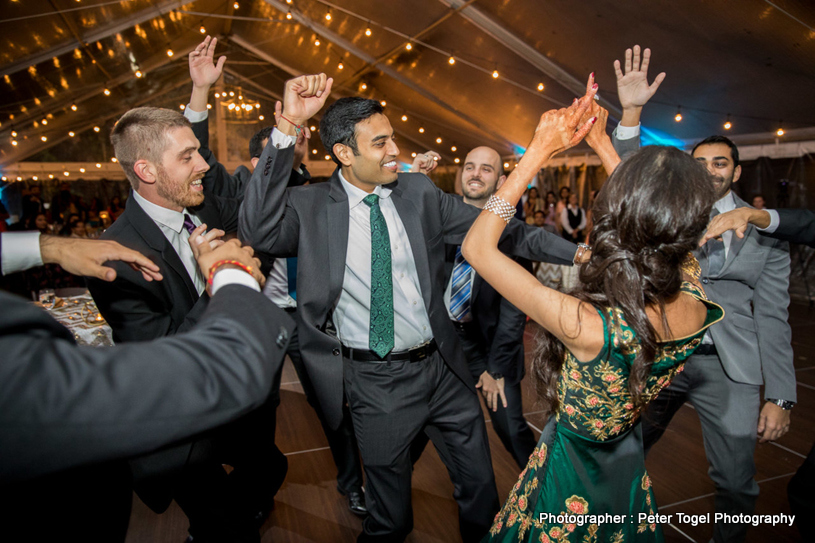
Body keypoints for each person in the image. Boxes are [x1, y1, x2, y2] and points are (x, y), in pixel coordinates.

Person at [239, 72, 585, 542]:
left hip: (444, 370)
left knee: (482, 491)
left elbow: (502, 230)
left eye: (393, 139)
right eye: (380, 143)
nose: (394, 151)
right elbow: (257, 229)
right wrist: (287, 128)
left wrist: (583, 253)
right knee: (391, 519)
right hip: (376, 383)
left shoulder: (418, 194)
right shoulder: (309, 205)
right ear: (344, 153)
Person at [462, 79, 722, 542]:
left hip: (569, 476)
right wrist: (603, 142)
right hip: (625, 461)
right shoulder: (695, 297)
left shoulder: (589, 326)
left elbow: (478, 247)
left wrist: (539, 151)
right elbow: (653, 216)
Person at [86, 38, 284, 541]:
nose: (205, 165)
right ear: (147, 172)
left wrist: (204, 96)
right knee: (225, 525)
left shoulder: (204, 206)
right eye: (190, 156)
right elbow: (167, 356)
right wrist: (221, 280)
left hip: (244, 397)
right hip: (185, 424)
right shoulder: (115, 255)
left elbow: (242, 190)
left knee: (271, 470)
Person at [0, 232, 293, 542]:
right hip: (168, 432)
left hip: (229, 424)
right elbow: (219, 368)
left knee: (269, 467)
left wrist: (47, 246)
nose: (203, 178)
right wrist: (232, 273)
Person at [642, 135, 795, 543]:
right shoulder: (666, 212)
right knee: (618, 451)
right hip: (664, 356)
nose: (710, 169)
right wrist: (632, 119)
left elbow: (773, 315)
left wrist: (780, 396)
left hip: (730, 366)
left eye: (720, 162)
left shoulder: (767, 230)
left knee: (735, 482)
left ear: (736, 171)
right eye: (701, 162)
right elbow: (629, 174)